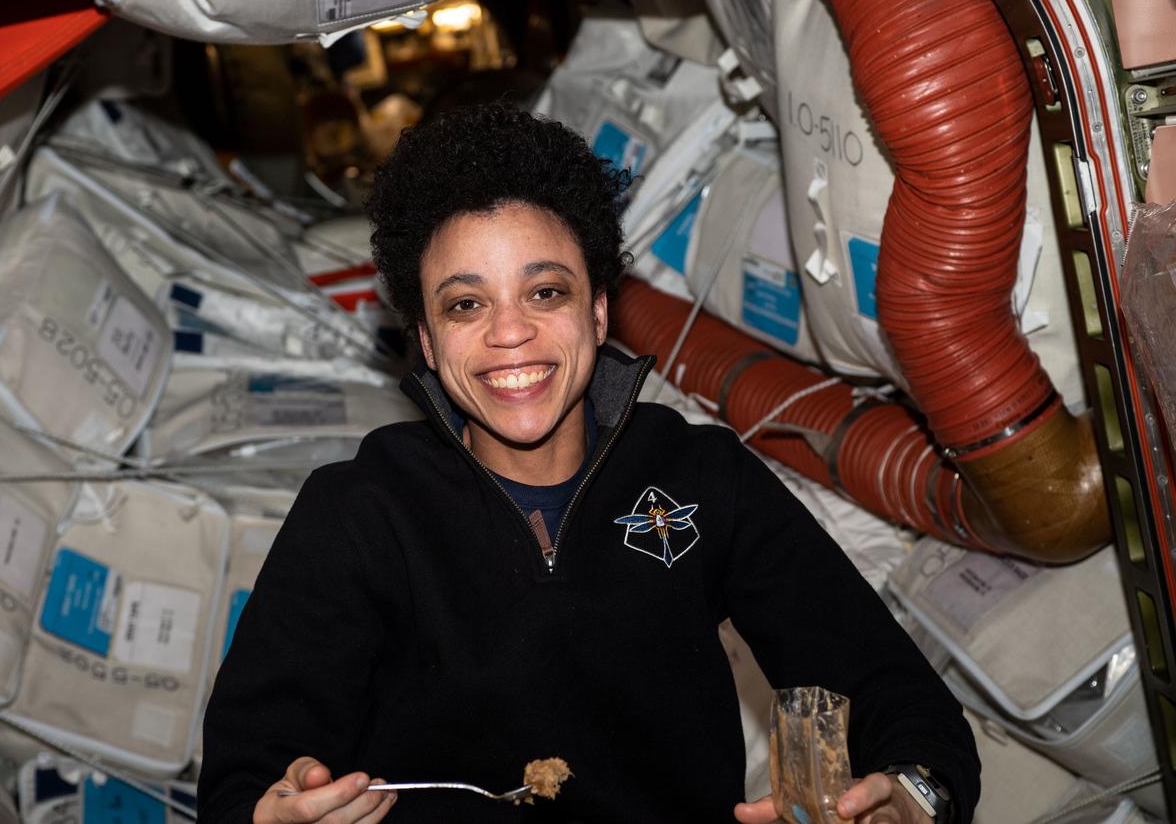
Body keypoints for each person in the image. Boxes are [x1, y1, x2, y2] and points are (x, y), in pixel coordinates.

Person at [197, 103, 980, 824]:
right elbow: (243, 779)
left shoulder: (696, 476)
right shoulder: (359, 513)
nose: (511, 332)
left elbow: (897, 695)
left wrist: (911, 794)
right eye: (466, 304)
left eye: (545, 291)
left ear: (598, 310)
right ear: (429, 343)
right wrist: (275, 813)